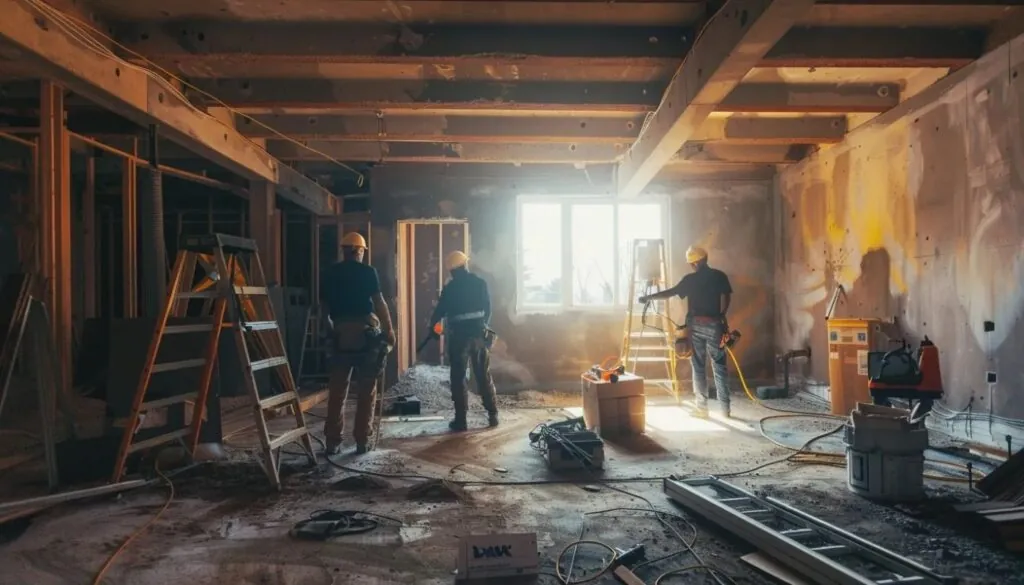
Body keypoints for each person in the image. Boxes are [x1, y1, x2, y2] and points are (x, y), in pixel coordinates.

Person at [319, 232, 395, 455]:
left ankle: (333, 442)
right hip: (365, 334)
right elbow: (379, 303)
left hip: (340, 332)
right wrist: (389, 331)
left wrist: (329, 330)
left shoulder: (331, 272)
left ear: (344, 250)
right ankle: (362, 440)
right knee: (367, 390)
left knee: (337, 390)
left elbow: (323, 308)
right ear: (360, 251)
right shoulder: (368, 272)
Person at [639, 245, 733, 418]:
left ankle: (702, 409)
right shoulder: (720, 276)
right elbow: (727, 296)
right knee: (719, 366)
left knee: (698, 366)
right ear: (705, 259)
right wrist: (722, 314)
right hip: (715, 324)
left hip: (696, 325)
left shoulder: (690, 280)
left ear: (694, 263)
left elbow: (671, 292)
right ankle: (725, 410)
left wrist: (648, 297)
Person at [427, 250, 499, 431]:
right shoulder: (480, 283)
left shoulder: (450, 288)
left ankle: (461, 420)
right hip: (479, 335)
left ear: (451, 270)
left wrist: (433, 328)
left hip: (459, 338)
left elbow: (439, 312)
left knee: (458, 377)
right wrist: (482, 326)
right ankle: (493, 415)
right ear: (465, 264)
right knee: (483, 374)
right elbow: (488, 309)